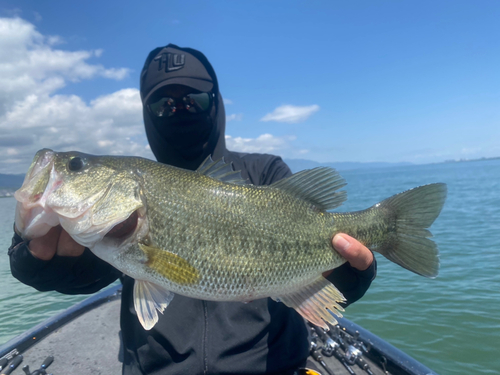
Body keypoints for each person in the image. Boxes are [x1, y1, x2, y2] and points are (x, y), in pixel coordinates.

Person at [9, 44, 376, 375]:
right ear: (147, 113)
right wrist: (41, 264)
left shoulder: (265, 173)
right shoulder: (111, 231)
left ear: (215, 102)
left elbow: (316, 245)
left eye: (193, 99)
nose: (178, 109)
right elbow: (92, 273)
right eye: (162, 104)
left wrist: (345, 278)